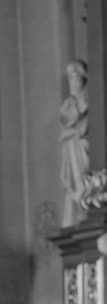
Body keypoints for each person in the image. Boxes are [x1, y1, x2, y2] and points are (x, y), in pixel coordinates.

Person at [59, 58, 89, 227]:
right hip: (73, 147)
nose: (71, 81)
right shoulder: (69, 103)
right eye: (69, 77)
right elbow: (66, 119)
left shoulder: (88, 99)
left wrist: (72, 132)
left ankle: (84, 196)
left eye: (74, 76)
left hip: (82, 145)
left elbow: (83, 127)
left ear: (82, 78)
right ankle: (80, 199)